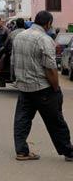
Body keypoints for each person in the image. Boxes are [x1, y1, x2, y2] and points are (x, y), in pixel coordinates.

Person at [12, 11, 73, 162]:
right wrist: (56, 88)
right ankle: (68, 151)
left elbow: (14, 61)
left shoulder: (19, 36)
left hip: (24, 87)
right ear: (48, 24)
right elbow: (51, 68)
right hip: (42, 88)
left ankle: (21, 151)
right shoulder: (45, 39)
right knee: (56, 122)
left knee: (22, 119)